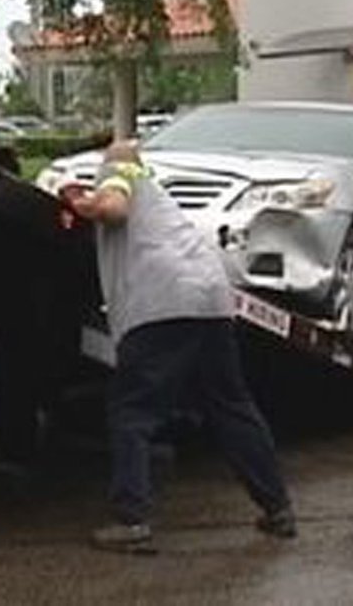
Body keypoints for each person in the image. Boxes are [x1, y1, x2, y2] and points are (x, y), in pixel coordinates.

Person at [61, 141, 296, 555]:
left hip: (161, 302)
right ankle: (277, 508)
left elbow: (113, 209)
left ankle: (132, 520)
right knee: (231, 405)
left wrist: (81, 202)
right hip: (213, 301)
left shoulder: (121, 172)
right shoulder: (161, 199)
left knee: (132, 410)